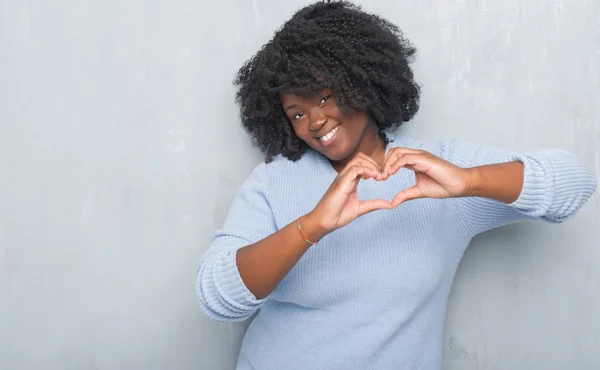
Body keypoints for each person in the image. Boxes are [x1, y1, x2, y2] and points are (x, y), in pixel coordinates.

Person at [196, 1, 597, 369]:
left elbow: (574, 184)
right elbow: (216, 297)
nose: (315, 122)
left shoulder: (435, 172)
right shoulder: (276, 179)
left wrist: (469, 181)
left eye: (325, 98)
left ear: (362, 82)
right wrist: (312, 226)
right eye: (297, 113)